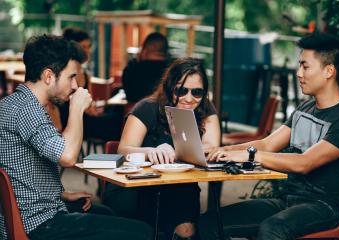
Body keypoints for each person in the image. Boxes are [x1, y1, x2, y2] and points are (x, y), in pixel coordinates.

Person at [200, 32, 339, 239]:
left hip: (324, 207)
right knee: (209, 223)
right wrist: (224, 151)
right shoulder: (305, 108)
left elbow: (304, 163)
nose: (298, 73)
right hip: (288, 201)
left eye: (305, 66)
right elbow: (268, 144)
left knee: (272, 229)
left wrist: (251, 155)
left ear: (329, 71)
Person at [0, 34, 152, 240]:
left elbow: (22, 168)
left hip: (34, 214)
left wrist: (60, 194)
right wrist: (77, 108)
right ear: (48, 76)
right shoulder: (27, 110)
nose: (75, 85)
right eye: (71, 76)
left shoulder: (16, 104)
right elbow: (68, 156)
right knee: (142, 232)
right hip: (40, 224)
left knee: (107, 213)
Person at [103, 58, 220, 239]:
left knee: (186, 229)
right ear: (169, 87)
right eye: (181, 91)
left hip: (179, 186)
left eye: (197, 92)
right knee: (149, 229)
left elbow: (212, 146)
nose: (189, 99)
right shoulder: (148, 107)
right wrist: (151, 151)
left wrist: (183, 150)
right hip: (138, 186)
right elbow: (123, 149)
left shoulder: (204, 108)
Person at [61, 26, 123, 141]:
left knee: (116, 113)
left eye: (89, 46)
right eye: (84, 47)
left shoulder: (85, 74)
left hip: (85, 117)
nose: (88, 50)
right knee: (118, 120)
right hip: (74, 121)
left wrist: (94, 109)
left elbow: (90, 105)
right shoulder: (67, 73)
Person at [122, 32, 169, 103]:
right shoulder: (171, 71)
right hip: (162, 113)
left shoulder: (131, 69)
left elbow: (129, 95)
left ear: (144, 51)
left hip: (134, 112)